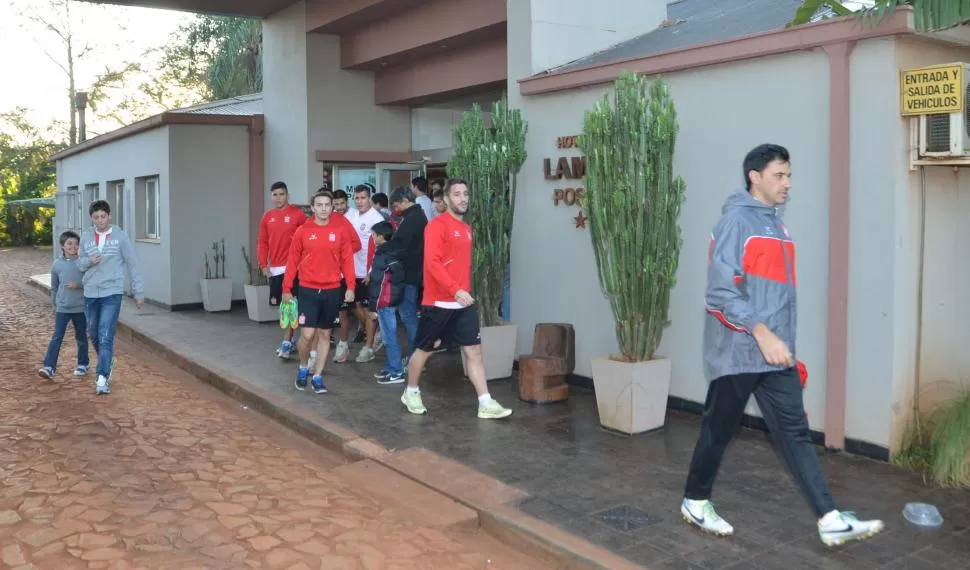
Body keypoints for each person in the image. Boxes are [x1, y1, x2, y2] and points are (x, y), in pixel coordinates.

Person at [681, 144, 884, 547]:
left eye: (789, 175)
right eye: (779, 175)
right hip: (739, 352)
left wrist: (782, 343)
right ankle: (695, 500)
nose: (787, 183)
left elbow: (775, 294)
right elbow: (721, 293)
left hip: (775, 355)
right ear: (755, 177)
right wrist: (762, 332)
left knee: (794, 432)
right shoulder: (737, 222)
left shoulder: (776, 225)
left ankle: (829, 517)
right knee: (718, 430)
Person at [401, 179, 512, 419]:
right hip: (439, 303)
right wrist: (454, 289)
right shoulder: (437, 226)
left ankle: (485, 402)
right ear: (447, 200)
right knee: (424, 350)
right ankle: (410, 390)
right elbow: (432, 263)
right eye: (457, 194)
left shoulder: (466, 229)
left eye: (466, 194)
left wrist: (464, 291)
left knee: (473, 351)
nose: (463, 198)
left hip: (463, 303)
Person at [282, 191, 355, 394]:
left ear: (332, 208)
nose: (324, 208)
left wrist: (350, 287)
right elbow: (292, 262)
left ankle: (318, 376)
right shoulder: (302, 231)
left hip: (332, 289)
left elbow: (348, 260)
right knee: (306, 335)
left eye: (327, 205)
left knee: (325, 334)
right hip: (307, 288)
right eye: (319, 205)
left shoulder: (339, 231)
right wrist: (286, 288)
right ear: (313, 208)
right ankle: (303, 367)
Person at [77, 200, 145, 395]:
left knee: (106, 333)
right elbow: (79, 264)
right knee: (93, 333)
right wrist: (89, 261)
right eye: (96, 217)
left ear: (110, 216)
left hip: (112, 292)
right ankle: (107, 360)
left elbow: (133, 264)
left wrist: (138, 291)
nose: (100, 220)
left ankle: (102, 377)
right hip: (90, 291)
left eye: (103, 216)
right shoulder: (86, 237)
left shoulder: (120, 237)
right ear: (91, 218)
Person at [257, 181, 307, 359]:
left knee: (290, 304)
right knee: (283, 306)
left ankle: (287, 341)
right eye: (275, 195)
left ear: (287, 195)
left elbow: (307, 239)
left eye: (281, 194)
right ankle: (292, 339)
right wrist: (263, 265)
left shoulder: (298, 214)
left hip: (294, 268)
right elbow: (262, 242)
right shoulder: (267, 217)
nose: (278, 198)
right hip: (276, 268)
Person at [340, 185, 385, 363]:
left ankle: (368, 347)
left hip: (368, 273)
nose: (359, 201)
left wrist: (371, 271)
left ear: (370, 198)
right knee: (355, 306)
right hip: (354, 271)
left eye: (363, 198)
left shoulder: (376, 218)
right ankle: (375, 333)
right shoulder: (353, 217)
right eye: (357, 198)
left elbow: (381, 248)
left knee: (368, 311)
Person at [38, 230, 89, 380]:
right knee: (57, 337)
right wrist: (55, 302)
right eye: (69, 243)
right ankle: (49, 367)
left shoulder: (83, 262)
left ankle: (83, 363)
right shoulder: (57, 264)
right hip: (63, 308)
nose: (73, 246)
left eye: (76, 244)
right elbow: (54, 286)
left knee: (81, 337)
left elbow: (91, 282)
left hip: (80, 307)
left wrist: (78, 285)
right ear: (62, 246)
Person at [386, 185, 427, 366]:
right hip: (412, 272)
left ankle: (414, 357)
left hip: (409, 274)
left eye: (396, 205)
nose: (395, 209)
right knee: (408, 315)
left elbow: (401, 246)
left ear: (405, 201)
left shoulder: (412, 219)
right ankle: (415, 356)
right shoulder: (416, 216)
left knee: (408, 316)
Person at [365, 221, 406, 383]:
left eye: (374, 235)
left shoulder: (383, 255)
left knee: (390, 336)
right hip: (390, 299)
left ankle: (396, 371)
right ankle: (390, 367)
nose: (372, 237)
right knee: (389, 335)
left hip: (384, 301)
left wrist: (373, 306)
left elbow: (379, 283)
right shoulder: (393, 252)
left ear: (381, 237)